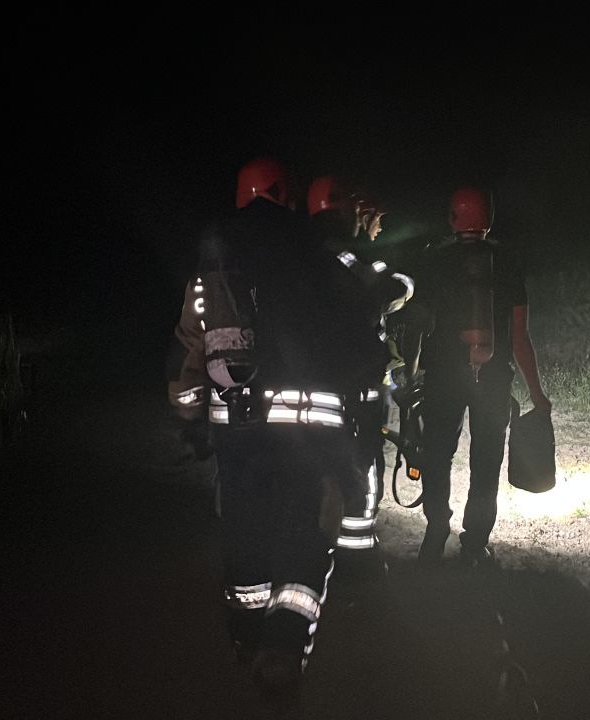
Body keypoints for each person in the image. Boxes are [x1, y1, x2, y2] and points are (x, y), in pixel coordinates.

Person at [165, 156, 389, 697]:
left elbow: (193, 341)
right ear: (287, 196)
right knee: (308, 531)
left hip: (238, 426)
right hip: (312, 422)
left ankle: (247, 634)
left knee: (245, 529)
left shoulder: (218, 256)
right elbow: (361, 334)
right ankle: (285, 642)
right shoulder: (315, 248)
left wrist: (189, 411)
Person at [408, 186, 550, 567]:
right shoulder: (507, 262)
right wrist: (537, 394)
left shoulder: (433, 261)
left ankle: (436, 529)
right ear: (488, 217)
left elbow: (418, 324)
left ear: (453, 217)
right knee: (486, 462)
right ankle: (475, 544)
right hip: (493, 378)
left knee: (437, 454)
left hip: (443, 375)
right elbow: (519, 338)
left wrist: (410, 372)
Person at [305, 173, 415, 582]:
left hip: (314, 384)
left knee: (317, 466)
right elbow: (382, 290)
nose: (379, 228)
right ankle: (356, 559)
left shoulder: (298, 254)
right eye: (376, 219)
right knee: (362, 464)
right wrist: (403, 282)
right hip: (356, 387)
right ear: (356, 212)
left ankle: (316, 549)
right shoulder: (346, 257)